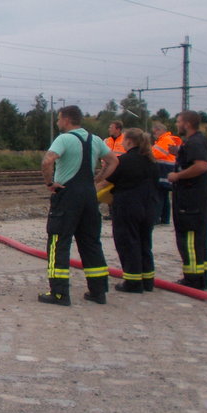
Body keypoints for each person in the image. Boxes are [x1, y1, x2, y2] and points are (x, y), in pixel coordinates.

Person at [38, 105, 118, 305]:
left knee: (58, 242)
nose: (57, 123)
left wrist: (49, 183)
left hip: (67, 195)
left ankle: (59, 293)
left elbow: (47, 161)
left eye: (58, 119)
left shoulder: (64, 139)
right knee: (91, 243)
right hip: (89, 196)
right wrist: (98, 179)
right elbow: (113, 161)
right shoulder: (96, 140)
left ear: (66, 119)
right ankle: (98, 291)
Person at [98, 127, 160, 293]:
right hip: (149, 206)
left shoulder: (123, 161)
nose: (122, 142)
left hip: (128, 206)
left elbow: (107, 181)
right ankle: (148, 281)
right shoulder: (151, 160)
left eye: (124, 140)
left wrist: (92, 189)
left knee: (128, 242)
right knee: (145, 242)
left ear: (129, 142)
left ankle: (132, 282)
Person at [168, 110, 207, 290]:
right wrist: (178, 151)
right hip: (196, 195)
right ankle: (201, 275)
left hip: (191, 197)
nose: (177, 124)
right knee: (199, 238)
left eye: (178, 121)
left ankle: (193, 279)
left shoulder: (195, 142)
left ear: (187, 124)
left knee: (189, 237)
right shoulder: (197, 141)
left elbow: (201, 165)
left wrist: (178, 176)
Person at [151, 120, 182, 225]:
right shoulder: (165, 139)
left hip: (164, 170)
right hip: (167, 169)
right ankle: (165, 218)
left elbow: (156, 154)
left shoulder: (165, 140)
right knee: (163, 196)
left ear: (160, 130)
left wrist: (146, 153)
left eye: (155, 132)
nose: (154, 135)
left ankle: (156, 218)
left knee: (159, 195)